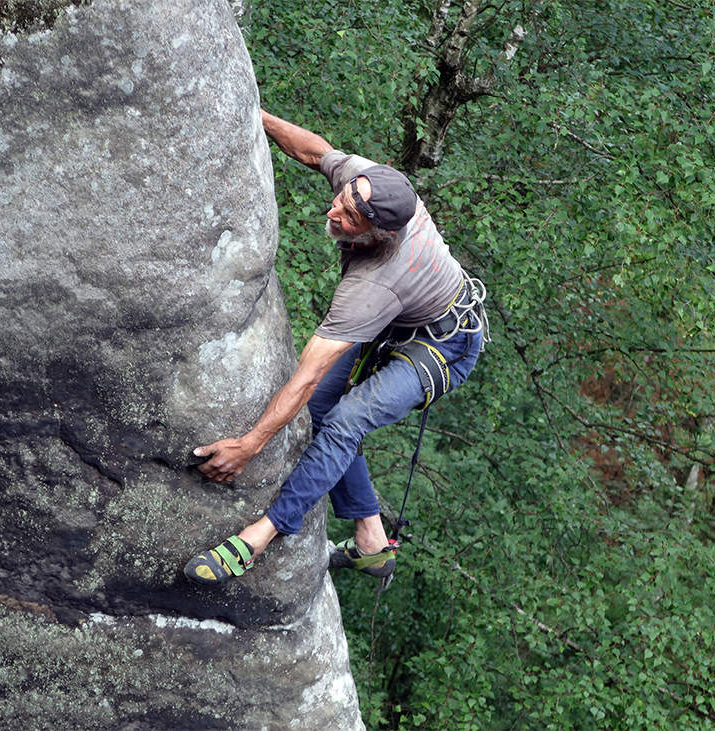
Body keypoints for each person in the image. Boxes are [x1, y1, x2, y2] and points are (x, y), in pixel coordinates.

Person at [184, 111, 488, 585]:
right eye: (341, 202)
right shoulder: (373, 184)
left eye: (348, 218)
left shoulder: (375, 283)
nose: (333, 213)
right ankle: (371, 540)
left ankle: (262, 534)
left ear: (378, 235)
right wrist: (251, 109)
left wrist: (250, 445)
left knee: (345, 418)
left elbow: (306, 377)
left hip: (443, 344)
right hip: (404, 318)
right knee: (323, 410)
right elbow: (314, 150)